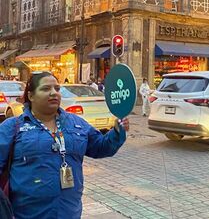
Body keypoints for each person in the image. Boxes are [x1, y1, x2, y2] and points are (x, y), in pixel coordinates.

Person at [0, 71, 129, 219]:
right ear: (31, 96)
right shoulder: (13, 127)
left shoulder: (76, 123)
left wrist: (117, 132)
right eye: (46, 89)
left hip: (69, 212)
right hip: (26, 214)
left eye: (57, 88)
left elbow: (101, 147)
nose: (54, 93)